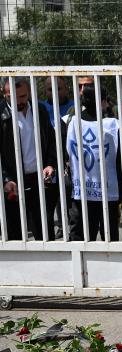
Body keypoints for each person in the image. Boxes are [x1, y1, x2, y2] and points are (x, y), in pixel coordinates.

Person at [1, 77, 59, 241]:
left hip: (38, 179)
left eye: (23, 96)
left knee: (45, 232)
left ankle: (51, 265)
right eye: (13, 97)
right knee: (15, 235)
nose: (20, 101)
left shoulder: (39, 110)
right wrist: (6, 179)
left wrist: (50, 164)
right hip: (13, 182)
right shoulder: (2, 115)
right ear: (4, 94)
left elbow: (51, 140)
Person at [66, 84, 121, 241]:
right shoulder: (113, 125)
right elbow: (119, 159)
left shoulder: (73, 124)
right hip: (107, 190)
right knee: (109, 241)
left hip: (81, 190)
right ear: (103, 101)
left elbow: (68, 153)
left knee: (80, 239)